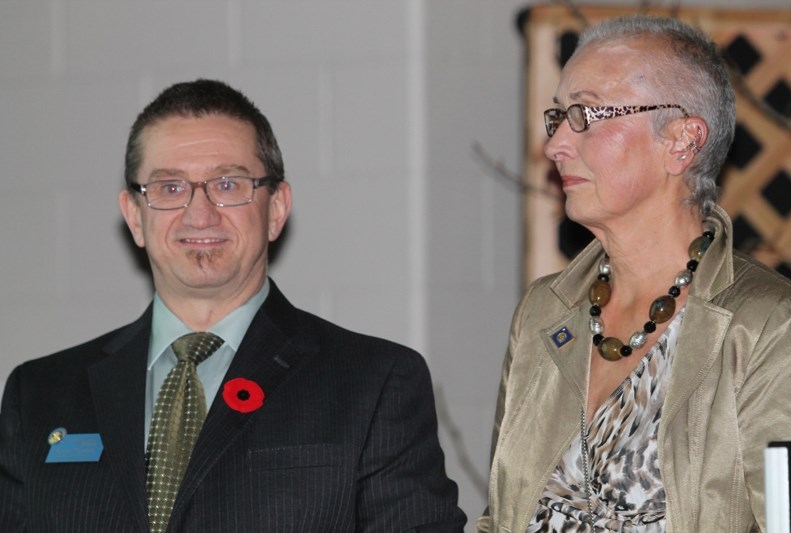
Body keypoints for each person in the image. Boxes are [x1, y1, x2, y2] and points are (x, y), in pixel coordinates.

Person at [0, 79, 466, 532]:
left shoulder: (374, 384)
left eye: (227, 184)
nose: (199, 214)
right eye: (169, 188)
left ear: (276, 209)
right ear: (134, 217)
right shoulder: (38, 395)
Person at [477, 15, 791, 533]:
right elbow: (502, 516)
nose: (556, 144)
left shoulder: (767, 326)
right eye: (558, 116)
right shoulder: (544, 312)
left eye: (584, 113)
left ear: (682, 142)